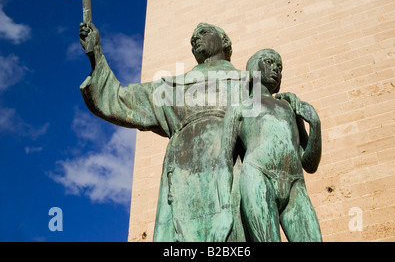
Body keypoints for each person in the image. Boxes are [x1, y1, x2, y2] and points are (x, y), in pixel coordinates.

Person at [78, 21, 247, 241]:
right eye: (192, 38)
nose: (195, 39)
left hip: (231, 168)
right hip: (182, 175)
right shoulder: (173, 88)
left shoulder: (247, 82)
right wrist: (96, 54)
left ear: (224, 41)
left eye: (203, 33)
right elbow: (120, 99)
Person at [220, 48, 322, 242]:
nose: (276, 69)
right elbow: (224, 157)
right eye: (269, 62)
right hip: (258, 176)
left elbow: (310, 164)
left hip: (295, 184)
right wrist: (224, 206)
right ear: (253, 67)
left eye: (279, 66)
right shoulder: (240, 107)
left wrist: (315, 124)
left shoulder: (289, 107)